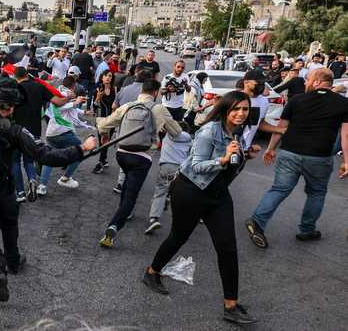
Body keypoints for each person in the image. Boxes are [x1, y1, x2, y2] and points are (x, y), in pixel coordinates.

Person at [0, 77, 95, 302]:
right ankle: (12, 262)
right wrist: (82, 148)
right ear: (11, 107)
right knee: (9, 227)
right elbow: (46, 155)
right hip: (4, 190)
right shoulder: (15, 130)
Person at [143, 90, 260, 325]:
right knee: (179, 236)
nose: (240, 113)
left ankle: (231, 305)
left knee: (227, 247)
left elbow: (232, 159)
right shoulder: (209, 131)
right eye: (235, 109)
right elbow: (196, 166)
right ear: (226, 109)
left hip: (217, 194)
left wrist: (246, 154)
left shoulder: (238, 131)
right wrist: (222, 160)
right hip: (191, 191)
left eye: (245, 109)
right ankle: (152, 272)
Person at [246, 69, 348, 248]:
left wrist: (271, 149)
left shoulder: (297, 100)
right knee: (316, 193)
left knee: (279, 189)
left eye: (307, 80)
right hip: (319, 157)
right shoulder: (343, 103)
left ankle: (257, 221)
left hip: (289, 153)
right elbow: (346, 134)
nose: (305, 83)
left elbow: (281, 127)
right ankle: (307, 230)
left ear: (317, 81)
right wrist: (346, 161)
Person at [96, 78, 182, 247]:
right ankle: (114, 226)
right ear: (156, 93)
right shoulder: (158, 109)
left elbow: (104, 124)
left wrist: (101, 127)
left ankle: (124, 212)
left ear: (141, 90)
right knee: (131, 195)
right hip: (141, 158)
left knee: (127, 183)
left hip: (122, 154)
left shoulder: (128, 106)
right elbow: (177, 132)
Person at [12, 67, 70, 201]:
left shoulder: (14, 88)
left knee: (15, 161)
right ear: (27, 75)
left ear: (15, 77)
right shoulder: (39, 87)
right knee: (29, 160)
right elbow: (58, 102)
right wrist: (68, 97)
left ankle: (20, 193)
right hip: (34, 130)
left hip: (15, 130)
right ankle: (32, 180)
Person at [36, 76, 89, 196]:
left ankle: (42, 186)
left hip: (52, 132)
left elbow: (69, 110)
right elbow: (59, 107)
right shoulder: (66, 94)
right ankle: (66, 178)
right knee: (80, 150)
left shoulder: (60, 92)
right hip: (62, 132)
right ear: (74, 85)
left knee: (50, 158)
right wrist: (75, 102)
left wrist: (83, 111)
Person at [145, 123, 192, 234]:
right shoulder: (190, 141)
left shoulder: (167, 136)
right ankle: (182, 222)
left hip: (166, 167)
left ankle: (154, 219)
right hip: (181, 169)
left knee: (160, 191)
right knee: (177, 191)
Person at [242, 70, 286, 148]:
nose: (261, 85)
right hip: (225, 147)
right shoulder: (235, 98)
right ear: (246, 82)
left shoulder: (264, 101)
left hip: (245, 148)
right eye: (258, 82)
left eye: (263, 83)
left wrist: (280, 130)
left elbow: (259, 123)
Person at [92, 70, 116, 174]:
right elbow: (95, 106)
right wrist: (98, 96)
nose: (108, 78)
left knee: (106, 141)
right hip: (101, 119)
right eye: (106, 76)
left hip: (111, 119)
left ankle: (103, 159)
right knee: (103, 141)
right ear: (102, 78)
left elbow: (116, 104)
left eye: (110, 76)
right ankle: (101, 162)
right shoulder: (98, 89)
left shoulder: (114, 89)